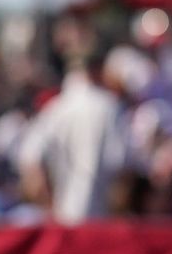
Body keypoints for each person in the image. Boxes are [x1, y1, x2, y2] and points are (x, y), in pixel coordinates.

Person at [14, 52, 128, 224]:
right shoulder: (110, 107)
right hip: (100, 224)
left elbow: (29, 161)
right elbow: (123, 166)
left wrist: (49, 207)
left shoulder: (56, 108)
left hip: (65, 223)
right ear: (99, 70)